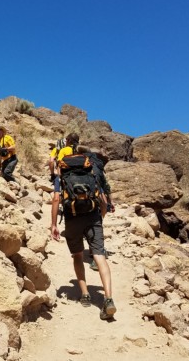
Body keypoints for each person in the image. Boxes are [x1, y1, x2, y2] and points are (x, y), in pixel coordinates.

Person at [50, 133, 116, 320]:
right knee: (100, 256)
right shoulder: (92, 171)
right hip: (92, 216)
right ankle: (108, 299)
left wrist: (54, 224)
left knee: (77, 255)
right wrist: (100, 218)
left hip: (72, 218)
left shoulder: (63, 173)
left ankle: (85, 294)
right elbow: (102, 199)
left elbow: (56, 199)